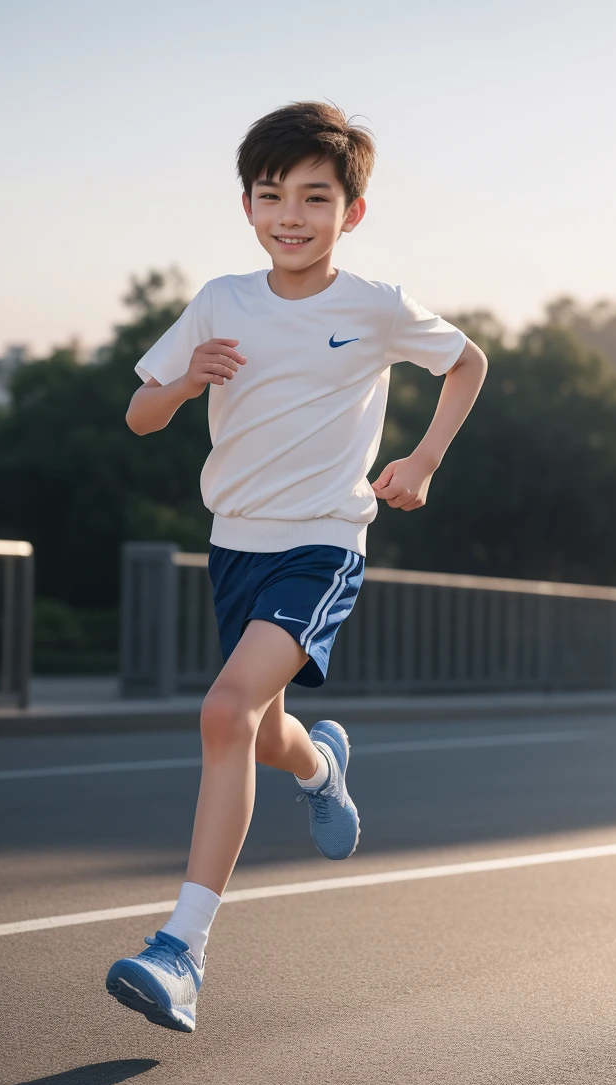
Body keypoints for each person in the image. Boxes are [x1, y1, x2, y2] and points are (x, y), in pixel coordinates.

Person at [105, 101, 487, 1032]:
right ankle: (319, 766)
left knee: (223, 711)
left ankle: (183, 951)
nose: (292, 215)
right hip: (234, 543)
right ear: (247, 204)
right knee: (259, 730)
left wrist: (423, 461)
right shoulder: (219, 301)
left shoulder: (375, 304)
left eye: (315, 198)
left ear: (350, 213)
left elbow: (466, 361)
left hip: (322, 543)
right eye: (272, 194)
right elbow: (140, 416)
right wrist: (186, 380)